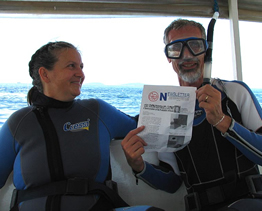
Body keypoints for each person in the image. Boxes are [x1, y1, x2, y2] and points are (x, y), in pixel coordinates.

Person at [0, 41, 163, 211]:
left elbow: (145, 125)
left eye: (81, 66)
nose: (81, 74)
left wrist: (189, 105)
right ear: (45, 74)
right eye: (72, 66)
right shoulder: (20, 122)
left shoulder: (97, 111)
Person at [121, 19, 262, 211]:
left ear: (206, 51)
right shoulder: (163, 109)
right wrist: (139, 167)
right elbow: (172, 184)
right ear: (168, 57)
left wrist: (224, 122)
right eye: (175, 48)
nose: (186, 55)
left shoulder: (234, 93)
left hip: (248, 202)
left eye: (195, 45)